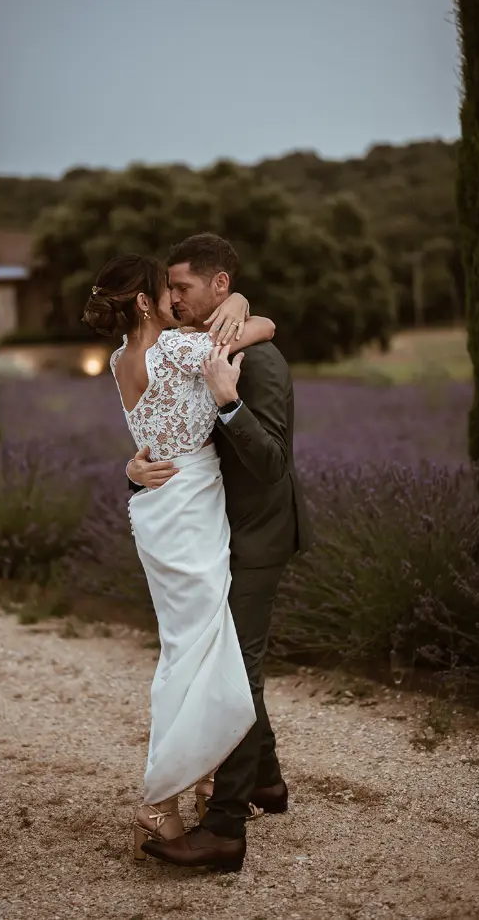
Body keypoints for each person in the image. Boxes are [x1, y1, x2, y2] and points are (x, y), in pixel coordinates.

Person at [82, 253, 277, 871]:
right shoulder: (179, 350)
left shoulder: (121, 361)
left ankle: (210, 776)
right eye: (162, 288)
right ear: (144, 302)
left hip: (156, 507)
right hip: (191, 505)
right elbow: (265, 330)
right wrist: (241, 305)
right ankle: (166, 792)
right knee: (202, 647)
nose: (172, 294)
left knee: (185, 644)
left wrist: (133, 466)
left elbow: (146, 436)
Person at [126, 234, 311, 872]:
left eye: (182, 287)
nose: (172, 298)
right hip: (212, 532)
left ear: (219, 287)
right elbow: (170, 430)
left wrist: (230, 401)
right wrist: (137, 471)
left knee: (238, 674)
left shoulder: (260, 364)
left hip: (257, 538)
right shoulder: (200, 352)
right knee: (237, 668)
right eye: (167, 289)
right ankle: (266, 782)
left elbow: (271, 464)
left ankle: (226, 829)